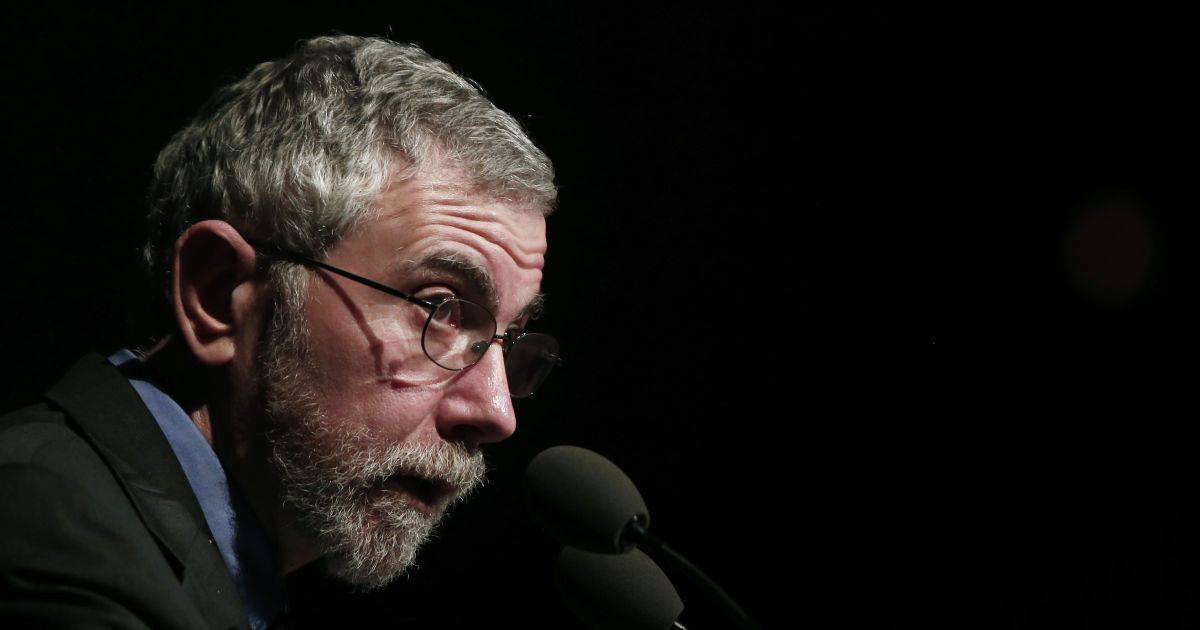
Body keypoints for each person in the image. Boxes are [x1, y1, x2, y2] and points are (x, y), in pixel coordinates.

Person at [0, 34, 560, 629]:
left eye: (509, 337)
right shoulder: (47, 537)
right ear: (217, 294)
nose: (497, 412)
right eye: (440, 309)